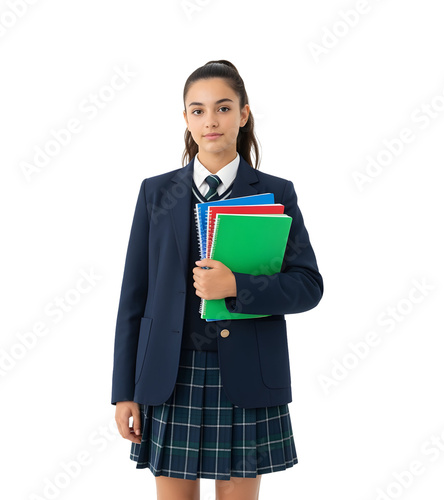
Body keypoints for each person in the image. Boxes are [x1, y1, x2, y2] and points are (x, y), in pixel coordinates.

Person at [112, 60, 324, 500]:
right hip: (169, 376)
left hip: (246, 375)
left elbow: (308, 286)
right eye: (198, 110)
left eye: (223, 108)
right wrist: (122, 391)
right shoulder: (156, 192)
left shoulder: (275, 192)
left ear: (243, 114)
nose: (211, 120)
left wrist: (236, 288)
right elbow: (133, 296)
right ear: (186, 119)